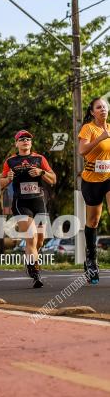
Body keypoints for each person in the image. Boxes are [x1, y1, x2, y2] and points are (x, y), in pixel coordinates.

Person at [0, 130, 56, 288]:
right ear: (16, 143)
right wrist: (8, 178)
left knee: (40, 239)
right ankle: (36, 274)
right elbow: (1, 183)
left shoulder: (39, 159)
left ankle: (31, 259)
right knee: (30, 237)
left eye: (28, 139)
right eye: (22, 139)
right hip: (21, 203)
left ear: (31, 143)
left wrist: (42, 172)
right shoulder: (10, 161)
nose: (25, 141)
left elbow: (53, 179)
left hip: (38, 201)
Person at [78, 96, 110, 284]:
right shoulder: (88, 128)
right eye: (98, 107)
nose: (103, 109)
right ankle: (91, 261)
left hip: (109, 177)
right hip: (91, 181)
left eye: (104, 107)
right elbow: (82, 151)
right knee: (93, 220)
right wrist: (100, 137)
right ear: (92, 112)